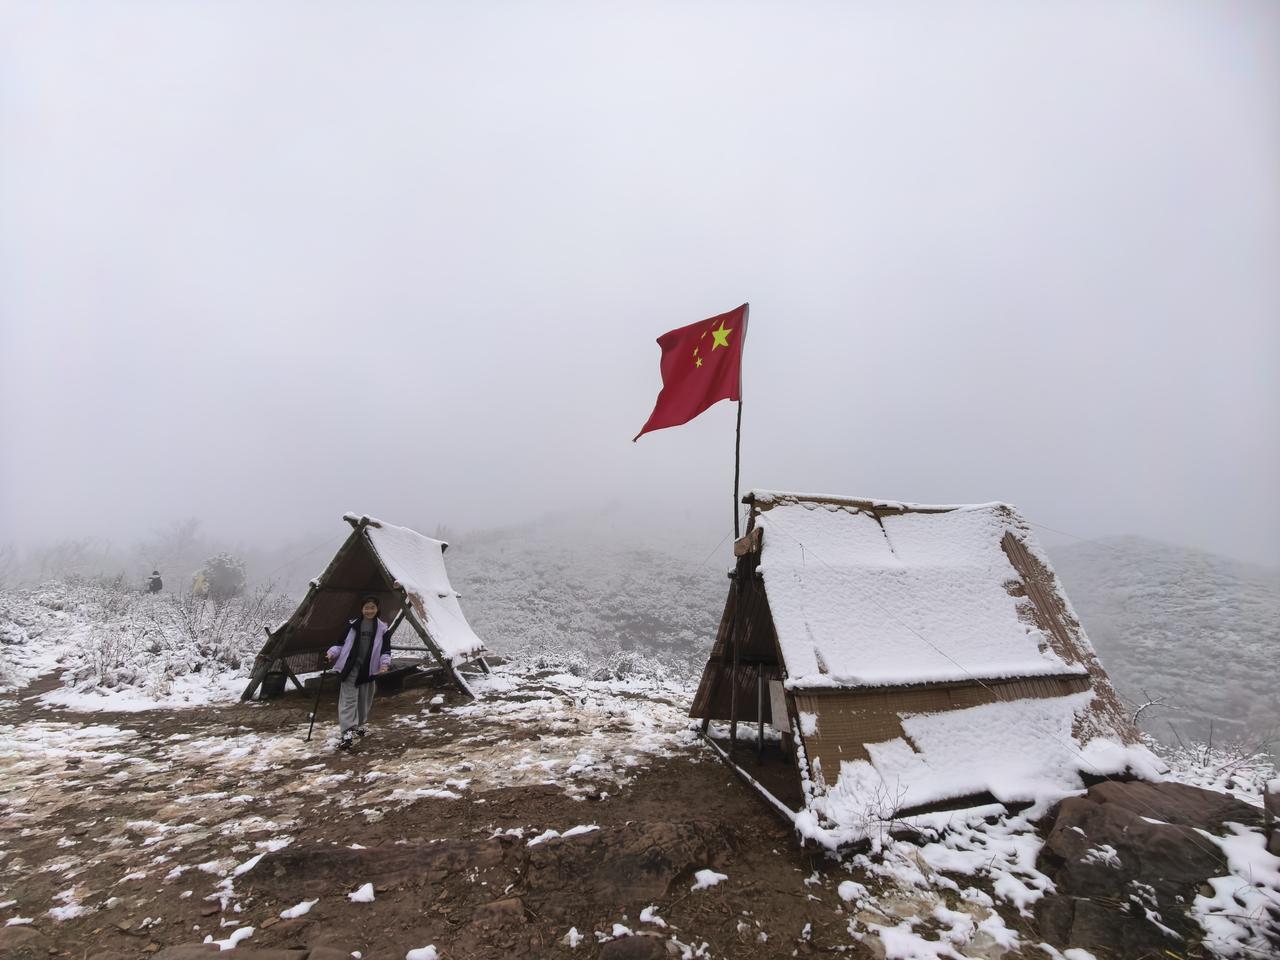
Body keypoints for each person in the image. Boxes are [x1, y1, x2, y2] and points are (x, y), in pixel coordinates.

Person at [325, 596, 392, 750]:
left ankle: (359, 725)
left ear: (377, 609)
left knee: (364, 700)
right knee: (348, 700)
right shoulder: (352, 626)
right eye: (366, 608)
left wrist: (384, 664)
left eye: (372, 607)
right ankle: (347, 731)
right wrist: (331, 653)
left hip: (368, 669)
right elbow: (339, 644)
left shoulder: (383, 629)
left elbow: (386, 650)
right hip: (351, 667)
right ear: (362, 609)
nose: (369, 611)